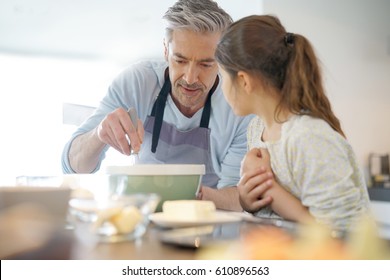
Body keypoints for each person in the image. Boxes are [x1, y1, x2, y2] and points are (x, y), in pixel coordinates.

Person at [61, 0, 253, 211]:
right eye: (179, 60)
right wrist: (99, 134)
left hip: (208, 222)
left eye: (205, 64)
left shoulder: (241, 106)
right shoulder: (136, 83)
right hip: (144, 217)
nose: (190, 78)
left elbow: (238, 198)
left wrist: (184, 196)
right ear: (165, 50)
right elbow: (72, 165)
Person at [215, 14, 370, 231]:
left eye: (222, 77)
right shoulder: (256, 129)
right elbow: (267, 215)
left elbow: (341, 232)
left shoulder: (308, 137)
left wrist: (270, 191)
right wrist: (247, 200)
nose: (221, 89)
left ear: (243, 81)